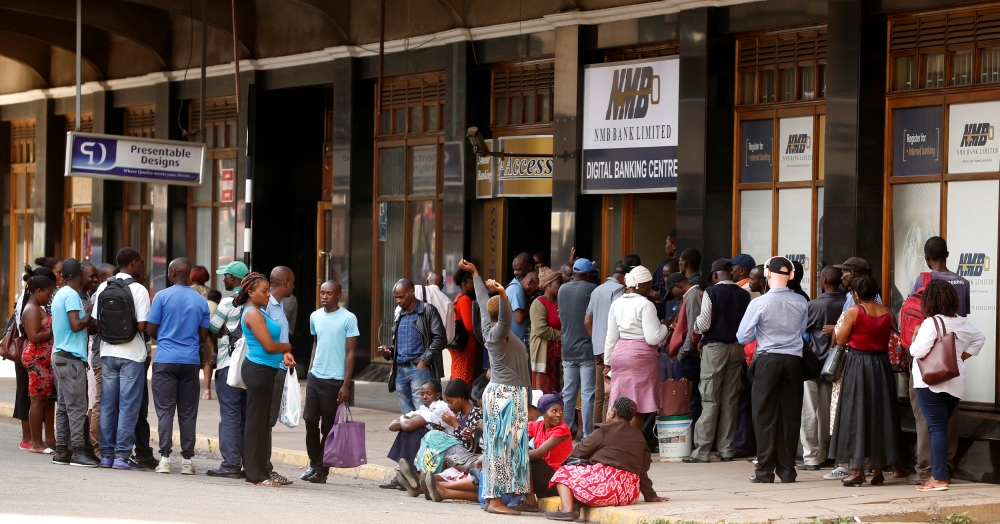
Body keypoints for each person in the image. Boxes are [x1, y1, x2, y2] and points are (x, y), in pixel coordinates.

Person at [459, 259, 531, 516]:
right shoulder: (499, 334)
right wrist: (502, 293)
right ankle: (496, 500)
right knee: (501, 450)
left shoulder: (489, 328)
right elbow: (505, 315)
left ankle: (492, 499)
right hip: (506, 396)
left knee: (498, 449)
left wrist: (476, 274)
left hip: (501, 395)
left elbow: (480, 301)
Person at [737, 256, 808, 484]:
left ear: (767, 274)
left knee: (764, 416)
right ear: (791, 276)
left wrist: (763, 334)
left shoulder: (759, 303)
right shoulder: (801, 302)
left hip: (768, 360)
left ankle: (765, 471)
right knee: (790, 416)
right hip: (794, 361)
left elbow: (742, 336)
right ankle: (787, 471)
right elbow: (802, 330)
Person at [909, 280, 985, 492]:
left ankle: (939, 478)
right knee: (940, 428)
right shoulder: (962, 322)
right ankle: (940, 475)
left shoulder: (931, 323)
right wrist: (959, 357)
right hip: (954, 381)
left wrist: (914, 340)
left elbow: (918, 352)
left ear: (930, 301)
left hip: (930, 382)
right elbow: (980, 339)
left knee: (937, 429)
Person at [908, 237, 971, 486]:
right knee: (949, 418)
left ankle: (927, 469)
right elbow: (963, 321)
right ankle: (946, 466)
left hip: (926, 360)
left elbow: (915, 314)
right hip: (952, 361)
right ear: (947, 254)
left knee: (927, 418)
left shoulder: (924, 280)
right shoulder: (963, 282)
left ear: (926, 257)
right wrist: (959, 356)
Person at [544, 397, 668, 521]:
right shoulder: (639, 436)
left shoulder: (604, 430)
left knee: (564, 471)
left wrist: (572, 466)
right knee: (586, 477)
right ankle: (576, 506)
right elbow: (642, 470)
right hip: (627, 494)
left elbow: (579, 452)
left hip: (604, 491)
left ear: (612, 412)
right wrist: (650, 495)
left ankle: (567, 510)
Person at [828, 275, 898, 487]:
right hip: (881, 365)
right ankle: (878, 471)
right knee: (879, 414)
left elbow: (840, 340)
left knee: (856, 413)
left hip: (859, 364)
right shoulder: (888, 312)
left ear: (856, 294)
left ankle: (858, 472)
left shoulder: (854, 311)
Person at [146, 258, 211, 475]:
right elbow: (203, 335)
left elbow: (151, 329)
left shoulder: (162, 296)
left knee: (165, 411)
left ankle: (164, 458)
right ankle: (187, 460)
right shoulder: (201, 300)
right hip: (190, 360)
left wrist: (166, 334)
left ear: (173, 272)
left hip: (165, 358)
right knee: (188, 412)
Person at [684, 259, 751, 463]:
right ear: (730, 273)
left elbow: (703, 324)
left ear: (714, 275)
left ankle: (702, 450)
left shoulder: (711, 292)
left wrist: (694, 323)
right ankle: (726, 449)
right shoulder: (744, 294)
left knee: (710, 399)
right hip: (736, 349)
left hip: (714, 349)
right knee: (730, 399)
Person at [94, 248, 152, 471]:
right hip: (132, 354)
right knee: (128, 406)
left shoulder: (103, 287)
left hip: (108, 352)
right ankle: (121, 456)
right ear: (134, 263)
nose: (143, 267)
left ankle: (106, 455)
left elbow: (96, 322)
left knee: (108, 404)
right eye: (141, 263)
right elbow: (141, 326)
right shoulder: (138, 290)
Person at [238, 272, 295, 487]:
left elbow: (273, 347)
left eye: (268, 290)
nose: (268, 294)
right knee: (255, 424)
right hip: (258, 370)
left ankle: (262, 471)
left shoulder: (261, 312)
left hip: (267, 369)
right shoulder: (252, 313)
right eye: (264, 291)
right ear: (251, 292)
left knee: (262, 424)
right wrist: (288, 347)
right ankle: (255, 475)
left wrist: (283, 354)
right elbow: (269, 345)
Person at [301, 281, 358, 484]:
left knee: (328, 427)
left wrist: (345, 384)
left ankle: (322, 470)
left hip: (334, 381)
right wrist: (309, 370)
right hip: (315, 377)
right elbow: (316, 343)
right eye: (322, 293)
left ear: (339, 295)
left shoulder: (348, 318)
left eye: (329, 293)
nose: (324, 296)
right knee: (309, 421)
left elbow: (351, 352)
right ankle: (314, 463)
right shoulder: (314, 316)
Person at [604, 266, 669, 431]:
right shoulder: (646, 305)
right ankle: (632, 444)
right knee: (637, 406)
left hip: (619, 355)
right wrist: (665, 326)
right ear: (641, 285)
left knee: (619, 404)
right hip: (641, 357)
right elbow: (653, 337)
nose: (651, 289)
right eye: (649, 285)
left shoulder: (616, 304)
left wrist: (607, 363)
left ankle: (616, 443)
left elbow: (611, 337)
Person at [50, 258, 98, 467]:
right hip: (70, 358)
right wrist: (90, 313)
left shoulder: (60, 293)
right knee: (78, 407)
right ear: (79, 275)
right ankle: (78, 451)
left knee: (63, 406)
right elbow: (76, 325)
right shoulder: (71, 295)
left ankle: (62, 451)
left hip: (60, 355)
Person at [206, 261, 250, 479]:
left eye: (226, 276)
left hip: (228, 364)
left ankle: (231, 464)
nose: (223, 279)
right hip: (251, 367)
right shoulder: (257, 302)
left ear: (233, 278)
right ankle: (247, 463)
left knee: (230, 415)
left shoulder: (226, 303)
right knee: (245, 416)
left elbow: (212, 328)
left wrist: (222, 329)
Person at [799, 266, 846, 471]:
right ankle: (825, 454)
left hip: (812, 363)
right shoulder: (847, 303)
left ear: (824, 280)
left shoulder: (813, 305)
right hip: (835, 364)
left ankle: (810, 456)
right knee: (828, 411)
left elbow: (800, 332)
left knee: (809, 410)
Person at [378, 278, 446, 415]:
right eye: (396, 297)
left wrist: (424, 361)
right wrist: (389, 351)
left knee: (424, 411)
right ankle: (412, 437)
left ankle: (426, 436)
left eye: (401, 297)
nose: (398, 301)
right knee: (407, 414)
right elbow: (401, 344)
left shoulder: (427, 311)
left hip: (419, 368)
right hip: (400, 370)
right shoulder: (399, 315)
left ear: (411, 292)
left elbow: (440, 338)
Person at [263, 266, 297, 485]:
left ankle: (262, 466)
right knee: (266, 421)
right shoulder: (266, 306)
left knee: (268, 421)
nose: (294, 287)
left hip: (279, 366)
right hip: (270, 369)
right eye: (292, 282)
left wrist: (286, 351)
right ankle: (264, 469)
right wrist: (285, 347)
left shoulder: (280, 305)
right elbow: (265, 340)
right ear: (284, 283)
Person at [389, 380, 451, 495]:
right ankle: (406, 473)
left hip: (444, 445)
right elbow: (392, 426)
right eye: (422, 394)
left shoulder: (440, 407)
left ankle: (410, 472)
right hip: (432, 442)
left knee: (414, 430)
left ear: (438, 395)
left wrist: (404, 418)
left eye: (428, 393)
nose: (424, 397)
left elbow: (408, 425)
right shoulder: (423, 409)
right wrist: (405, 418)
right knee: (408, 428)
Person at [559, 258, 598, 439]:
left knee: (568, 393)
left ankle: (563, 434)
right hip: (586, 350)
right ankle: (587, 435)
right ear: (588, 274)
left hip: (567, 350)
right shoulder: (592, 290)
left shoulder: (562, 290)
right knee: (587, 394)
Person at [585, 262, 627, 425]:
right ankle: (607, 434)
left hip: (597, 348)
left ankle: (597, 432)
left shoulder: (597, 290)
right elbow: (619, 317)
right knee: (611, 394)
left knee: (600, 394)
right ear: (623, 277)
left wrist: (596, 338)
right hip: (613, 348)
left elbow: (587, 320)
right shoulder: (619, 290)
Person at [20, 269, 56, 454]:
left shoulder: (36, 308)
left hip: (42, 359)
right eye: (48, 294)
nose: (49, 298)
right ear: (38, 291)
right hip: (36, 358)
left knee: (41, 401)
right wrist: (55, 331)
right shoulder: (32, 309)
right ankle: (36, 444)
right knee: (37, 402)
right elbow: (34, 336)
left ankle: (39, 442)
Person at [665, 272, 704, 424]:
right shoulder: (692, 295)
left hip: (688, 357)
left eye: (672, 292)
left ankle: (691, 441)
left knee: (688, 400)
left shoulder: (694, 296)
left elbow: (694, 330)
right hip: (688, 357)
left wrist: (682, 354)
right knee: (689, 399)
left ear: (678, 285)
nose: (674, 297)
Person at [522, 392, 572, 510]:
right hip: (544, 477)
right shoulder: (537, 426)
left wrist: (513, 456)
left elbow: (540, 453)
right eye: (554, 411)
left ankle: (530, 502)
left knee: (528, 457)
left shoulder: (561, 429)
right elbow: (518, 440)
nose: (559, 415)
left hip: (557, 482)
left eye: (561, 411)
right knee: (522, 450)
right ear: (543, 413)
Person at [87, 263, 115, 454]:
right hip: (101, 355)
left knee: (105, 401)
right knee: (100, 401)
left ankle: (103, 445)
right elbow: (93, 326)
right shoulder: (100, 295)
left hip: (106, 354)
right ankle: (97, 446)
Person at [530, 267, 562, 393]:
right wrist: (562, 335)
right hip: (545, 354)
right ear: (549, 284)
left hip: (559, 355)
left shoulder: (561, 302)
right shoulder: (539, 303)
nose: (561, 286)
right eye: (559, 283)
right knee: (544, 393)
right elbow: (540, 329)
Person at [449, 268, 478, 385]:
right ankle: (459, 399)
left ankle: (454, 397)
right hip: (466, 343)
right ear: (464, 284)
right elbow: (470, 327)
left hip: (458, 342)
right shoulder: (465, 300)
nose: (475, 285)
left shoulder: (458, 298)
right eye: (473, 281)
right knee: (464, 375)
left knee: (458, 371)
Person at [417, 272, 455, 348]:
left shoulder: (417, 290)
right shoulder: (448, 303)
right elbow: (448, 337)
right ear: (442, 286)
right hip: (435, 350)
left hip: (416, 347)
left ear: (427, 282)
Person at [507, 252, 536, 346]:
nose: (515, 273)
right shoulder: (516, 289)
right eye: (515, 270)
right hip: (514, 342)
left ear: (530, 267)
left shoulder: (514, 286)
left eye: (519, 270)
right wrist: (529, 304)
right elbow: (519, 318)